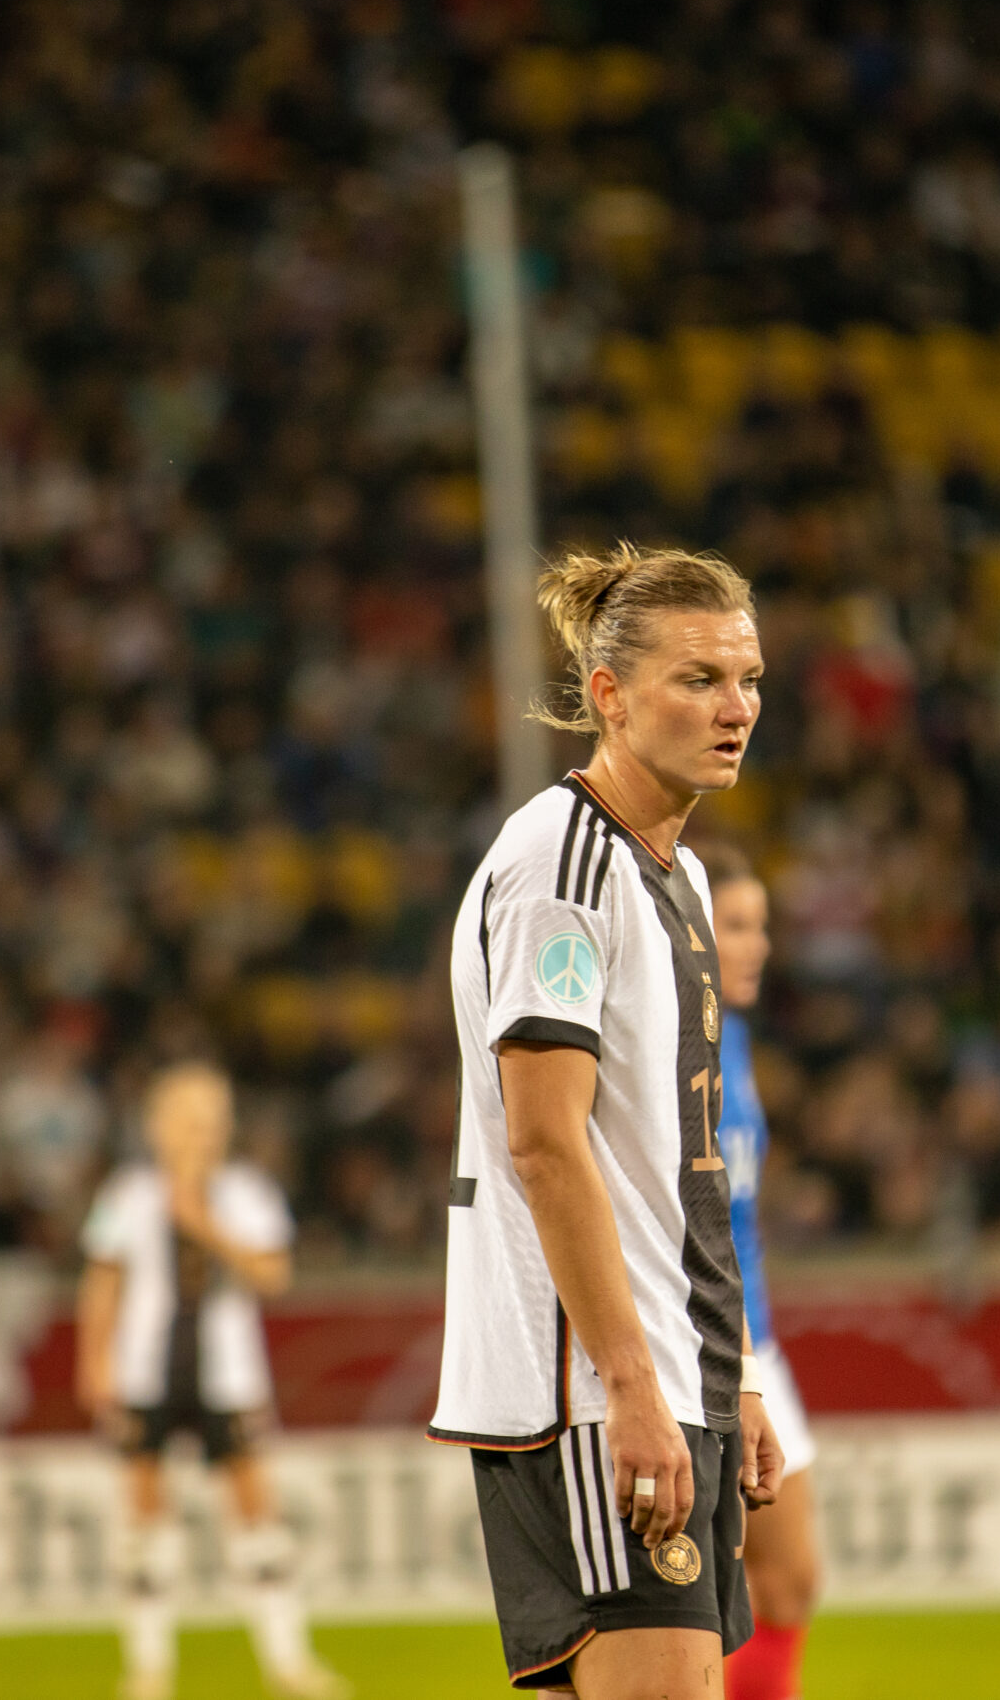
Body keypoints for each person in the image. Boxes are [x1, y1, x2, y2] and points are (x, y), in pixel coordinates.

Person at [432, 543, 784, 1697]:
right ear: (609, 695)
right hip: (588, 1385)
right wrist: (631, 1386)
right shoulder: (562, 866)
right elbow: (544, 1143)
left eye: (748, 680)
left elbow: (675, 1164)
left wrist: (728, 1375)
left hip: (666, 1369)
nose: (735, 708)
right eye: (699, 679)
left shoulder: (674, 874)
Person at [78, 1064, 343, 1700]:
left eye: (215, 1121)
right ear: (158, 1127)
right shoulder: (127, 1194)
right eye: (191, 1121)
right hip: (146, 1372)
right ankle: (148, 1666)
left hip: (229, 1373)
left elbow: (273, 1276)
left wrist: (206, 1226)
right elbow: (103, 1281)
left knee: (257, 1517)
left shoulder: (247, 1194)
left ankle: (288, 1661)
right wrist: (94, 1362)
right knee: (145, 1520)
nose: (205, 1134)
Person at [698, 845, 823, 1700]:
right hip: (706, 1342)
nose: (759, 944)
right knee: (708, 1601)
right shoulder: (674, 1039)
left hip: (754, 1336)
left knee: (790, 1581)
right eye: (737, 924)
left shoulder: (733, 1035)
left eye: (762, 925)